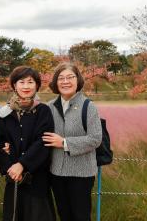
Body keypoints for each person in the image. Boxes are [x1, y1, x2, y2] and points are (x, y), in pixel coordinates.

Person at [42, 63, 102, 221]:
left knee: (80, 216)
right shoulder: (48, 107)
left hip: (81, 174)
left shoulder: (88, 106)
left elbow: (95, 138)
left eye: (70, 77)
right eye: (61, 78)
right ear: (55, 82)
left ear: (78, 80)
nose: (65, 81)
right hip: (56, 172)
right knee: (64, 215)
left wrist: (64, 143)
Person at [0, 66, 56, 221]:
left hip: (37, 178)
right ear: (14, 85)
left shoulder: (43, 111)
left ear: (36, 85)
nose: (26, 86)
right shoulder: (6, 113)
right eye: (21, 82)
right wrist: (10, 168)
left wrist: (22, 164)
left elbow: (43, 141)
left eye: (30, 82)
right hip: (14, 178)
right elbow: (0, 142)